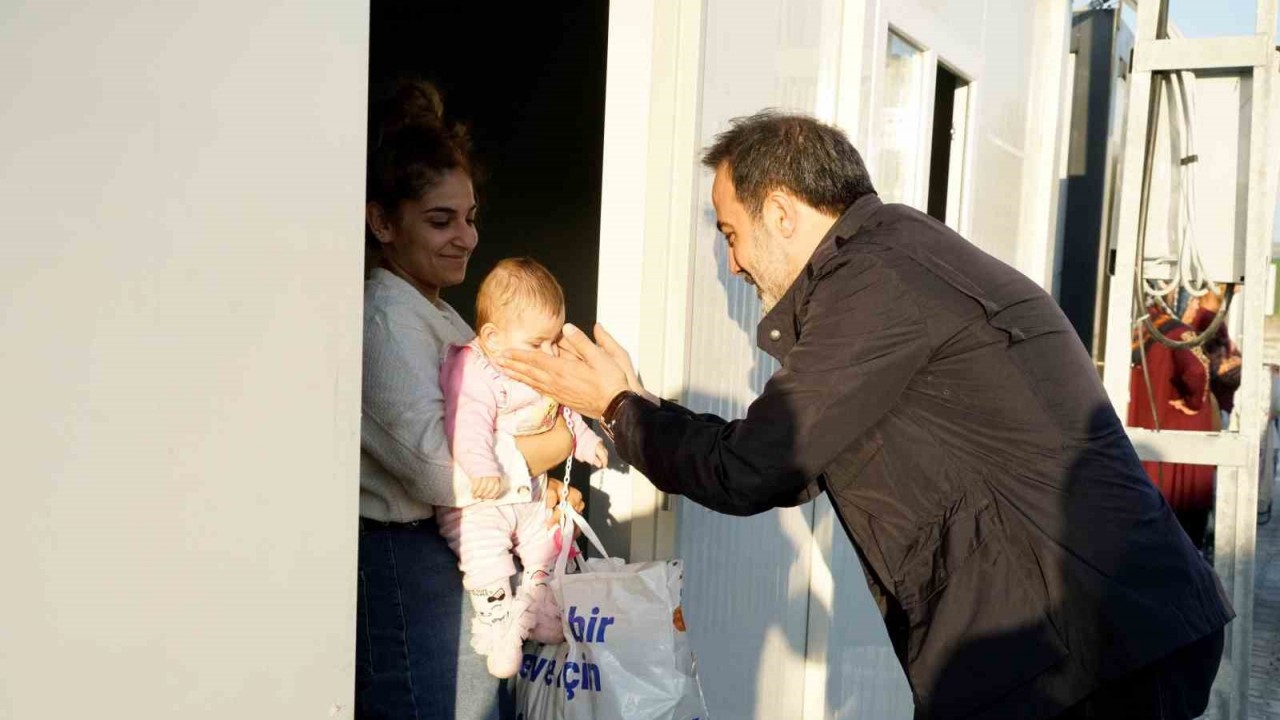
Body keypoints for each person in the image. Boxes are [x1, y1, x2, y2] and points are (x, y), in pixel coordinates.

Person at [496, 111, 1234, 720]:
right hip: (1085, 643)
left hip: (1079, 656)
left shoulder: (879, 282)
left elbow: (755, 467)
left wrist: (617, 408)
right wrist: (638, 411)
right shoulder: (894, 262)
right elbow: (790, 462)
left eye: (730, 233)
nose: (733, 264)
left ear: (781, 211)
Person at [357, 80, 580, 720]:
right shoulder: (385, 319)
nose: (467, 238)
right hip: (402, 560)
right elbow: (440, 468)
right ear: (381, 221)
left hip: (448, 547)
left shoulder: (440, 316)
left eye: (470, 217)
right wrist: (554, 446)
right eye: (440, 220)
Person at [436, 257, 607, 678]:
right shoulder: (473, 368)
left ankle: (538, 608)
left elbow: (564, 412)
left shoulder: (538, 366)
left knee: (544, 546)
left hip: (529, 494)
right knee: (483, 552)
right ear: (493, 339)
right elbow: (466, 421)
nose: (549, 353)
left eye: (554, 342)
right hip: (484, 501)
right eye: (537, 343)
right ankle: (496, 624)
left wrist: (584, 441)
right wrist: (481, 468)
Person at [1129, 300, 1217, 548]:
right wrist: (1195, 403)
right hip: (1176, 430)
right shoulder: (1178, 332)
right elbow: (1198, 371)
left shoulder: (1140, 333)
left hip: (1142, 430)